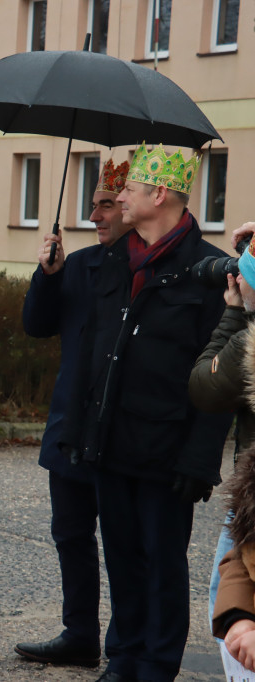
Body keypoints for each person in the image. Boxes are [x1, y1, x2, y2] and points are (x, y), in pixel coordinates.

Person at [61, 143, 234, 682]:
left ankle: (158, 665)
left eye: (131, 188)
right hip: (110, 442)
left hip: (166, 451)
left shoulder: (206, 272)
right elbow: (94, 352)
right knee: (122, 557)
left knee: (162, 563)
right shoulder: (116, 259)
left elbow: (218, 379)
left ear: (160, 195)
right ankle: (125, 656)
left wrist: (200, 460)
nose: (121, 197)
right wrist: (80, 429)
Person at [15, 159, 130, 668]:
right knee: (71, 538)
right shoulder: (78, 264)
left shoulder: (143, 269)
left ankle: (129, 647)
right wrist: (47, 275)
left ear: (129, 208)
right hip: (69, 429)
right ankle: (79, 634)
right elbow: (36, 325)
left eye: (106, 205)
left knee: (126, 545)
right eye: (92, 206)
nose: (95, 215)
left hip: (118, 433)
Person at [189, 222, 255, 632]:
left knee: (231, 608)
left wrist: (235, 313)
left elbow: (203, 387)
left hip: (251, 502)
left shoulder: (249, 340)